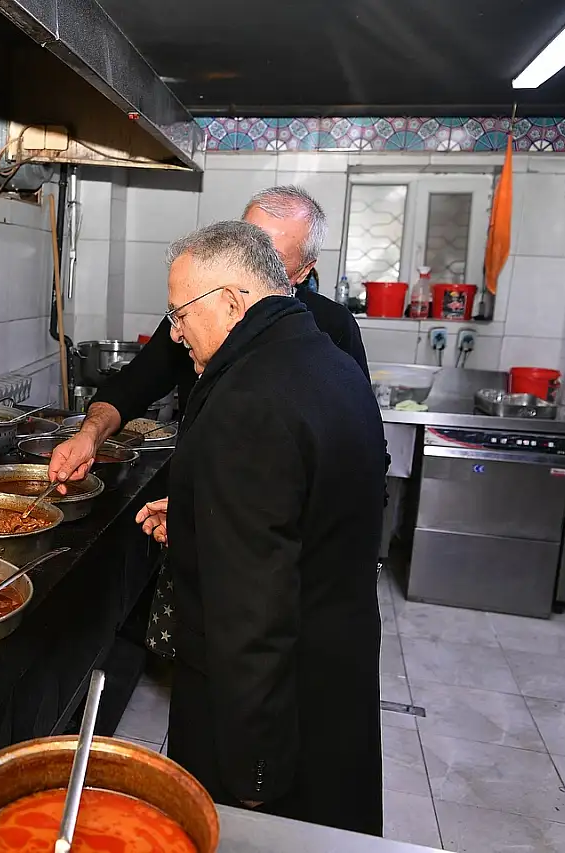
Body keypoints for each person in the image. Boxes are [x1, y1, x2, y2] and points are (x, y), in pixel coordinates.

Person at [150, 220, 385, 835]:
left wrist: (252, 769)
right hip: (332, 673)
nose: (175, 335)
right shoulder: (325, 362)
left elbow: (252, 609)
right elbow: (304, 509)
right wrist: (204, 522)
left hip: (273, 705)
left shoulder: (248, 401)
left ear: (230, 301)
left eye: (179, 314)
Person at [48, 186, 367, 486]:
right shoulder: (194, 316)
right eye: (247, 248)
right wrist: (88, 434)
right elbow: (132, 386)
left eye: (274, 260)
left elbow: (350, 453)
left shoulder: (332, 328)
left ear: (304, 270)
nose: (252, 268)